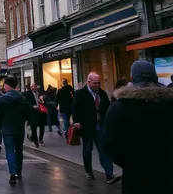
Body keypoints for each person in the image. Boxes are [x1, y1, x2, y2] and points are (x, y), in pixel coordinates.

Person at [103, 61, 173, 193]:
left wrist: (129, 163)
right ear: (156, 78)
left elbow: (108, 143)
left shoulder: (119, 106)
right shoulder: (169, 103)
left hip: (135, 176)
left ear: (132, 78)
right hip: (167, 173)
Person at [72, 72, 120, 184]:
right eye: (95, 83)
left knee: (104, 150)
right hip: (87, 127)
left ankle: (109, 174)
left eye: (99, 83)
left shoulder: (102, 94)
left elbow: (108, 108)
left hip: (100, 127)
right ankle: (88, 170)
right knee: (88, 149)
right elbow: (75, 108)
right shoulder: (80, 93)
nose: (97, 85)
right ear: (88, 82)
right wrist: (76, 121)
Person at [0, 76, 31, 185]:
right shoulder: (22, 98)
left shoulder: (3, 98)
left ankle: (13, 172)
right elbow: (29, 111)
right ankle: (19, 172)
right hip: (19, 128)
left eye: (4, 85)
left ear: (7, 85)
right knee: (19, 150)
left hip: (7, 128)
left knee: (10, 150)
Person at [23, 83, 46, 147]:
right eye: (33, 86)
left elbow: (45, 99)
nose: (35, 88)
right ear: (30, 87)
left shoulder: (40, 93)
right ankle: (35, 141)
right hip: (32, 113)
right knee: (33, 128)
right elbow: (26, 102)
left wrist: (43, 101)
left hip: (40, 112)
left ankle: (41, 139)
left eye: (35, 86)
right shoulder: (27, 94)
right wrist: (32, 106)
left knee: (42, 127)